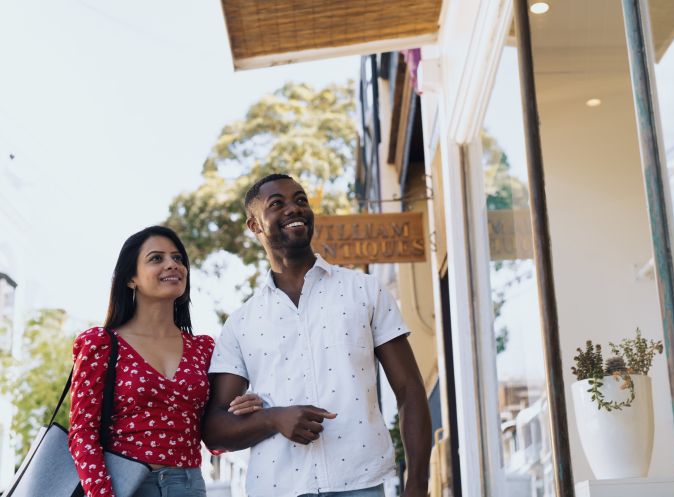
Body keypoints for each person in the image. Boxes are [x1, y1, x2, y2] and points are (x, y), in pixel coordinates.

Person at [203, 174, 432, 497]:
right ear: (254, 225)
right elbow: (214, 429)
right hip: (277, 487)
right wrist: (273, 419)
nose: (294, 209)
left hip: (361, 484)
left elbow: (409, 390)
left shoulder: (364, 290)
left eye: (300, 200)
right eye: (277, 204)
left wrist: (417, 486)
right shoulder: (241, 322)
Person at [68, 225, 262, 497]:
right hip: (125, 487)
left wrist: (240, 414)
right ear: (130, 279)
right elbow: (82, 433)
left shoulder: (204, 348)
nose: (173, 265)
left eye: (178, 258)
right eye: (156, 258)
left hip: (189, 486)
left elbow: (214, 442)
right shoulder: (100, 343)